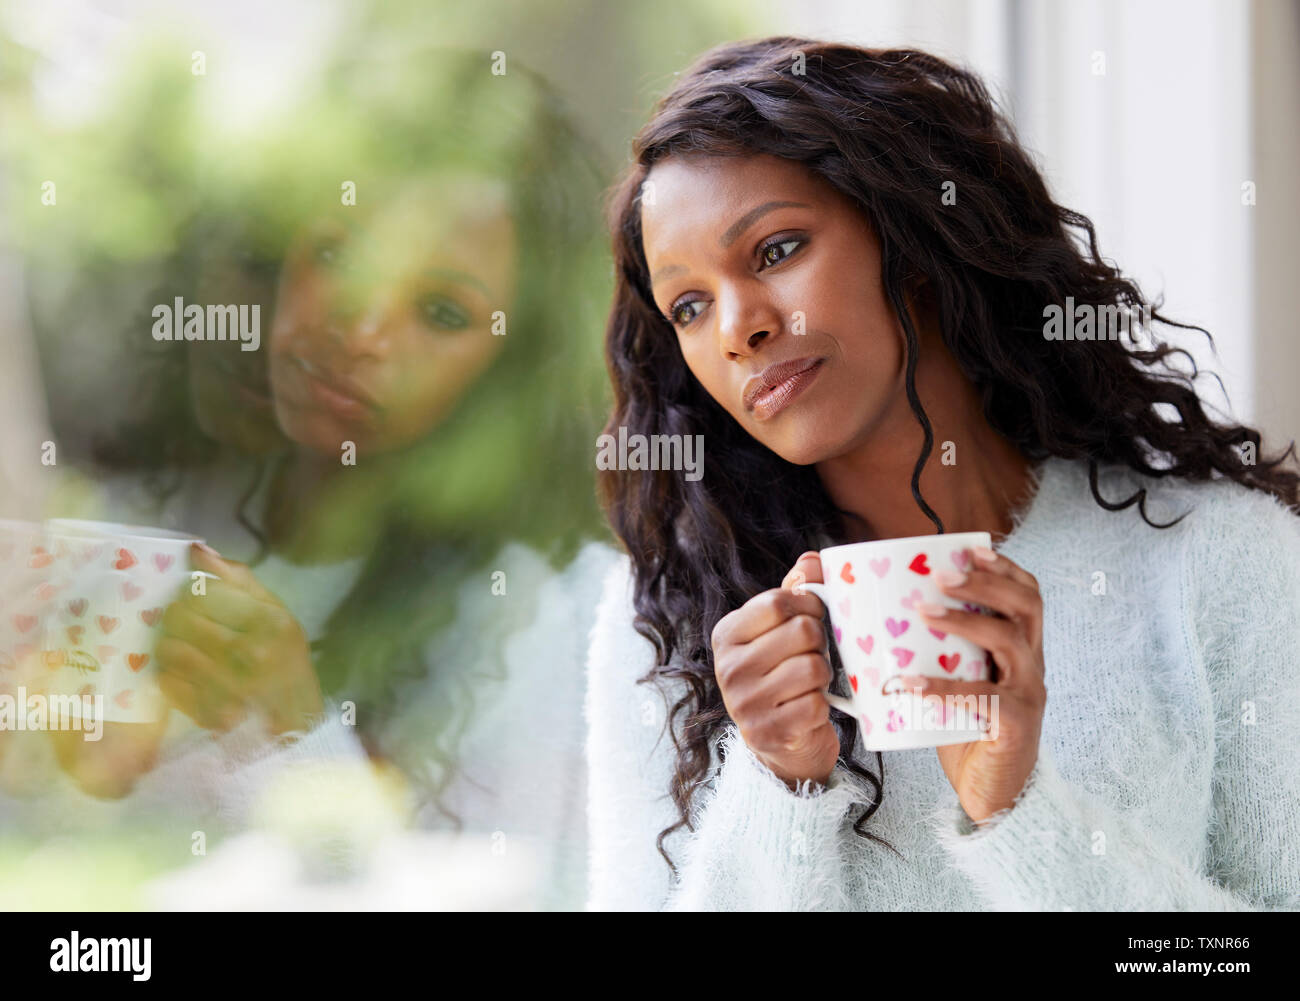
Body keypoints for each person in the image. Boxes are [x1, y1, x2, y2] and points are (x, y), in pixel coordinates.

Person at [586, 37, 1300, 911]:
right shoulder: (665, 609)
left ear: (913, 234)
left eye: (774, 251)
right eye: (688, 305)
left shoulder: (1224, 561)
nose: (737, 328)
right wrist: (776, 786)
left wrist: (1017, 816)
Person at [14, 46, 616, 910]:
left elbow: (517, 892)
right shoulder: (150, 521)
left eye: (440, 311)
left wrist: (287, 731)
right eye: (338, 252)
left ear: (510, 371)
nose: (358, 329)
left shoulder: (551, 622)